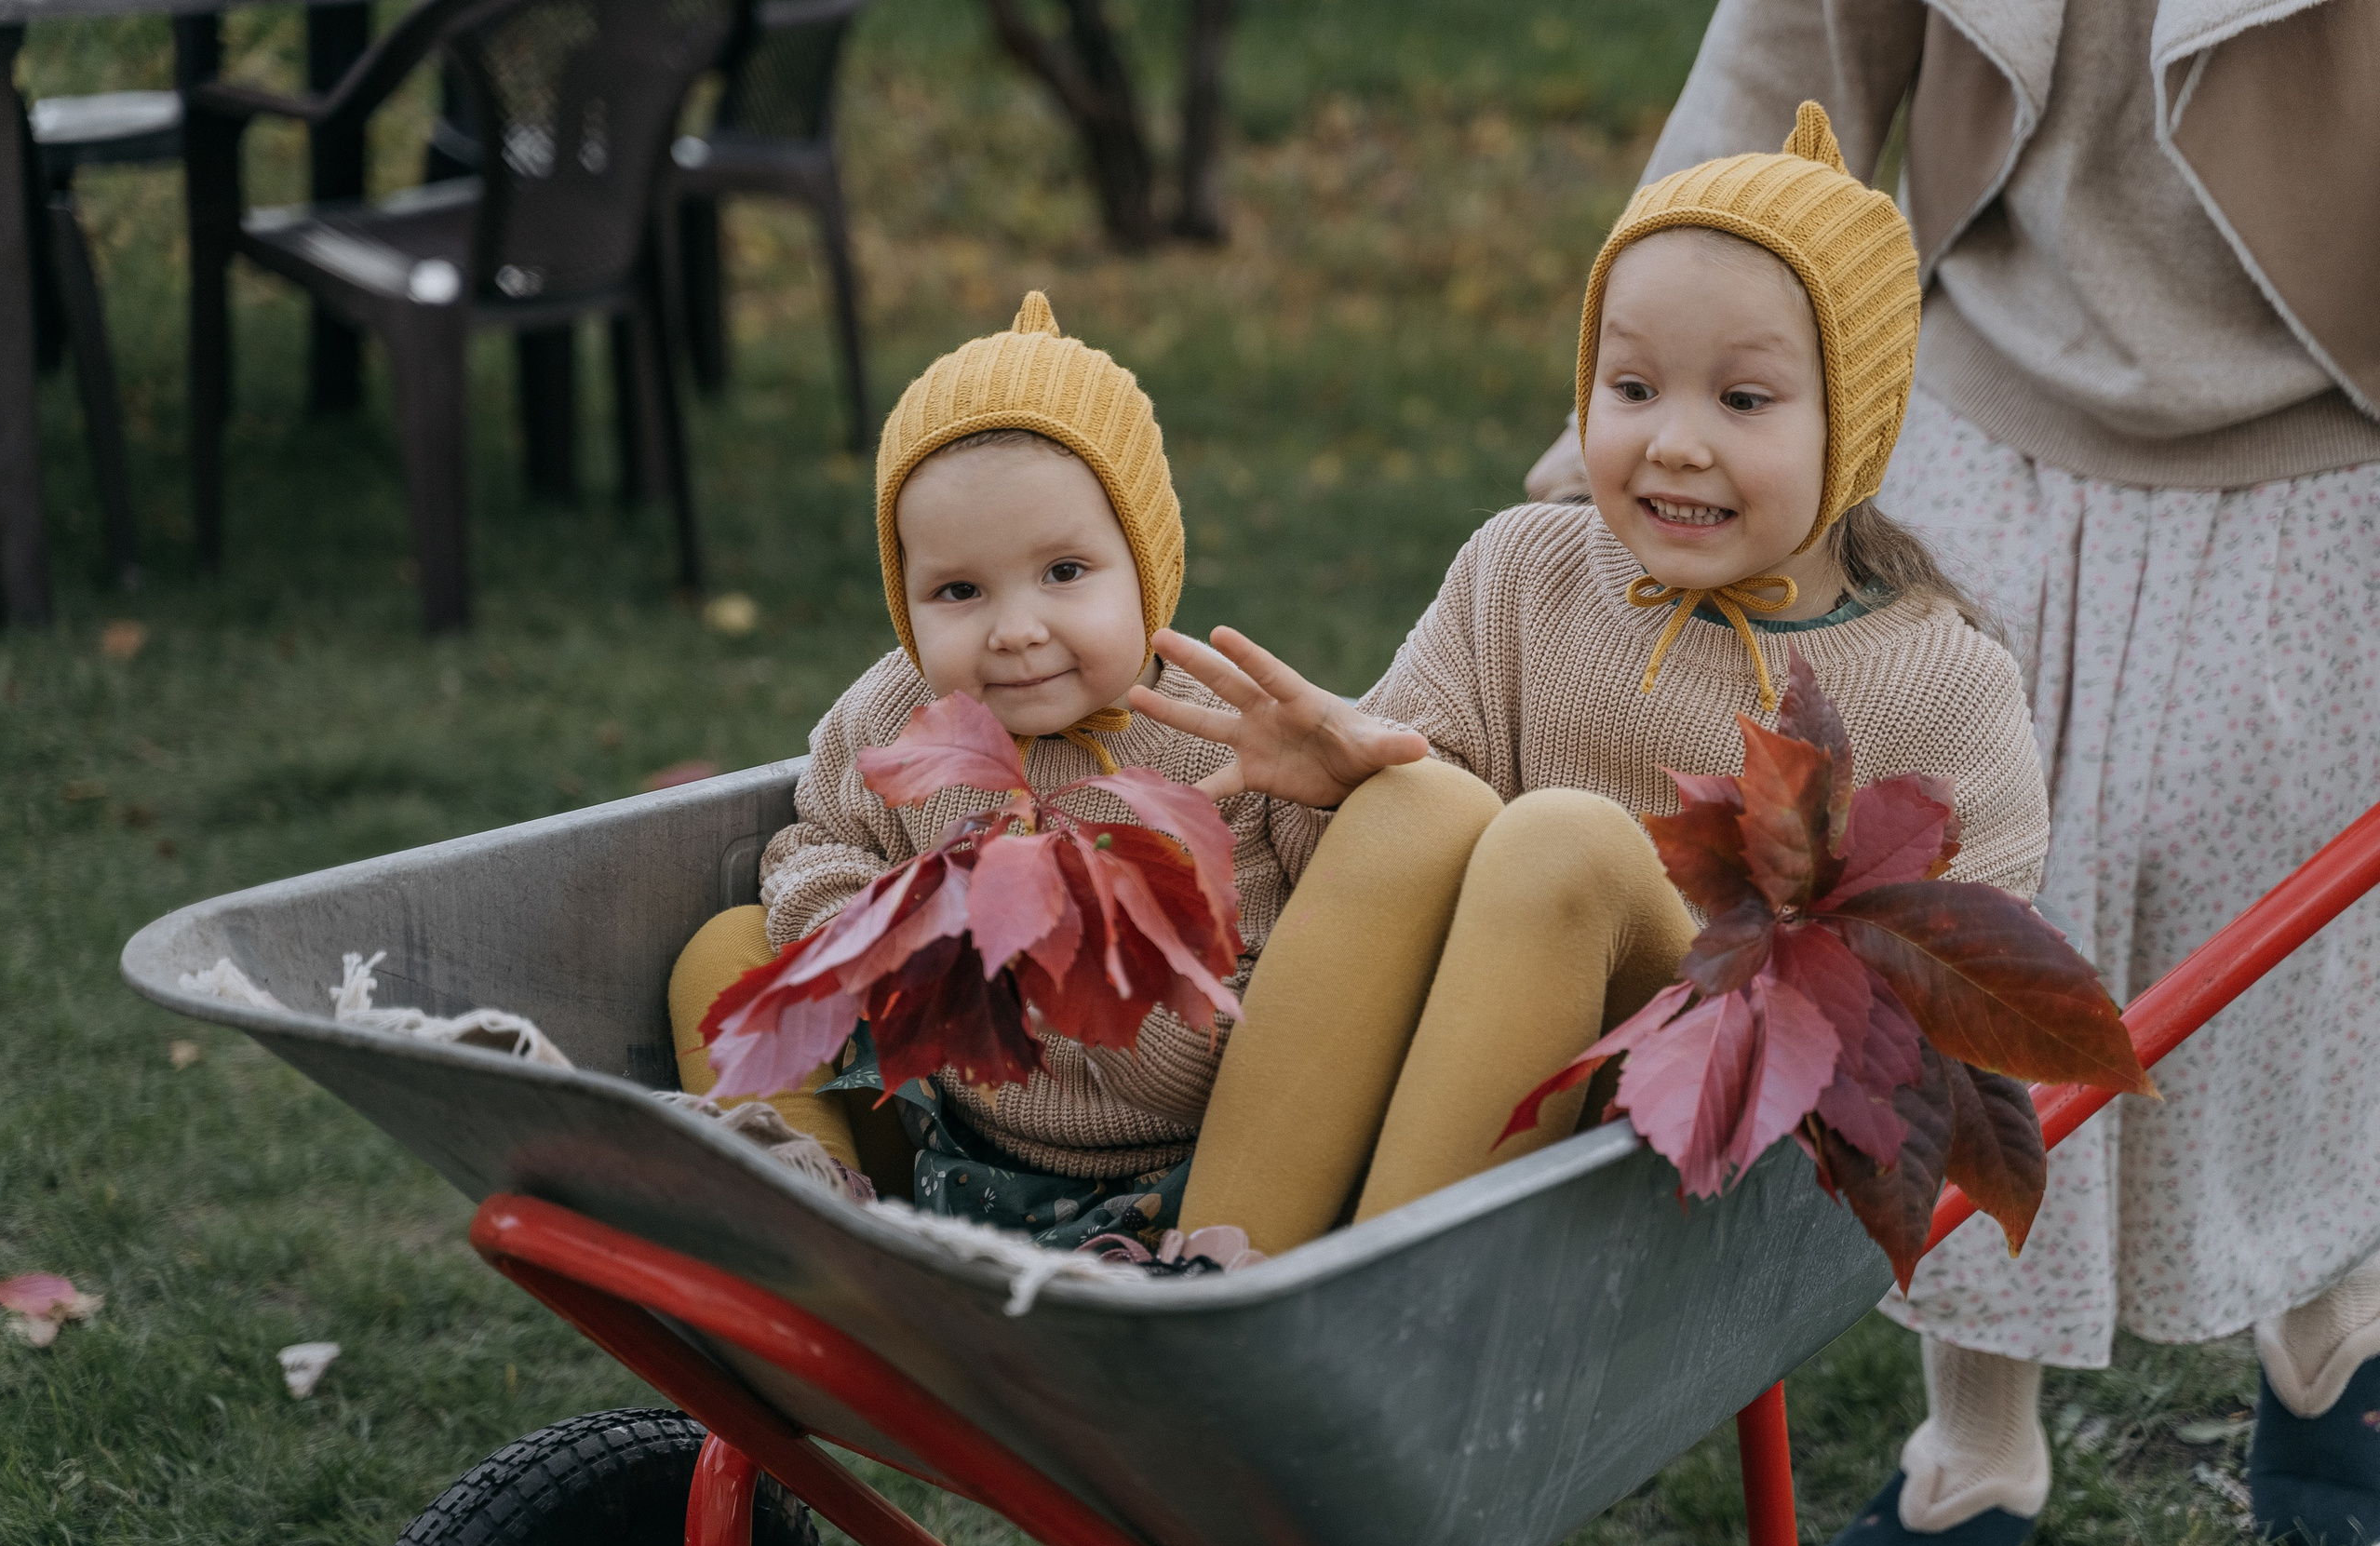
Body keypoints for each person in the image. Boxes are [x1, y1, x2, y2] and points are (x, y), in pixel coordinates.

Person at [1526, 4, 2380, 1546]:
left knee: (2277, 941)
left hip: (2313, 423)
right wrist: (1642, 398)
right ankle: (1974, 1451)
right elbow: (1787, 53)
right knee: (1937, 937)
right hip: (1982, 390)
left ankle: (2327, 1330)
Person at [1137, 107, 2051, 1271]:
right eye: (1631, 387)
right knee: (1418, 797)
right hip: (1463, 1062)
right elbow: (1374, 916)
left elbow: (1971, 1005)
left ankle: (1393, 1318)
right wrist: (1335, 792)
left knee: (1566, 837)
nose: (1673, 442)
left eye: (1742, 400)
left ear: (1854, 428)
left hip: (1717, 1121)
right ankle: (1215, 1265)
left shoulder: (1936, 679)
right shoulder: (1523, 572)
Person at [665, 292, 1342, 1249]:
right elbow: (814, 841)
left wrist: (1076, 983)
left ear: (1149, 566)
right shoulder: (894, 716)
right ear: (905, 600)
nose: (1016, 629)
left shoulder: (1220, 740)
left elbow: (1305, 973)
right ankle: (810, 1203)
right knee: (721, 949)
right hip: (953, 1133)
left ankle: (1149, 1281)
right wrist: (884, 937)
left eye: (1065, 572)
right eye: (959, 590)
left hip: (1176, 1171)